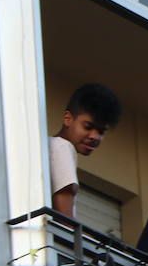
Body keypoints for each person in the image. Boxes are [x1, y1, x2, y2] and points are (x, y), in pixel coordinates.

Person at [50, 83, 122, 217]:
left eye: (101, 132)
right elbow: (65, 222)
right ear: (68, 119)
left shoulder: (49, 145)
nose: (94, 137)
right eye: (88, 127)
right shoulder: (62, 147)